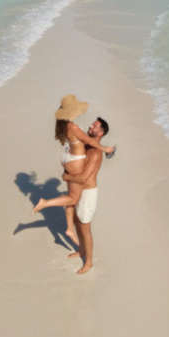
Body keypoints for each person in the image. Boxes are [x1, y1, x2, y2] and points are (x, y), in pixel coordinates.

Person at [32, 96, 114, 244]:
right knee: (74, 199)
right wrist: (105, 148)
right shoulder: (73, 127)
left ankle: (69, 229)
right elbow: (89, 141)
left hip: (68, 157)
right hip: (75, 161)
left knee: (70, 197)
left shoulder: (64, 125)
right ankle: (45, 203)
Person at [62, 117, 109, 274]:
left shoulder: (95, 153)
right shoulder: (86, 144)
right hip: (78, 190)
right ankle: (81, 251)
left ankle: (89, 262)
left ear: (100, 132)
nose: (90, 126)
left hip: (88, 193)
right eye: (92, 124)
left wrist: (67, 177)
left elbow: (83, 177)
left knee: (85, 227)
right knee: (76, 220)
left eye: (94, 126)